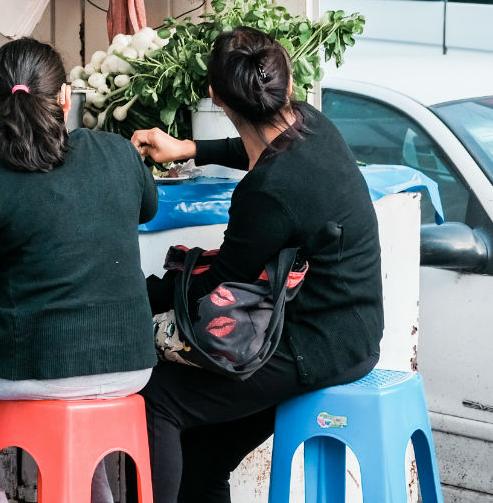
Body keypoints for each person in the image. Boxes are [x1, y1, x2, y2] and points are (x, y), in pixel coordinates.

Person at [130, 27, 383, 503]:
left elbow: (219, 286)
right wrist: (190, 148)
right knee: (201, 453)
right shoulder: (312, 124)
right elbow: (262, 152)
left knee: (158, 398)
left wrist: (137, 292)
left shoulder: (267, 193)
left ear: (215, 97)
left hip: (314, 346)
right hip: (351, 326)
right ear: (286, 85)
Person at [0, 38, 157, 503]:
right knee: (78, 429)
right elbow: (147, 206)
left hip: (42, 361)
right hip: (131, 362)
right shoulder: (117, 152)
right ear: (65, 98)